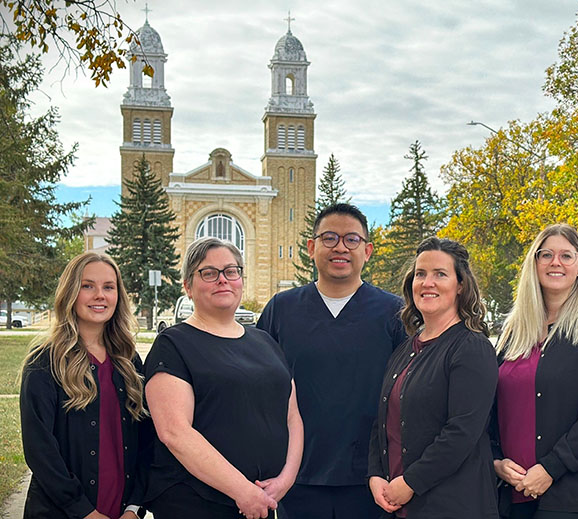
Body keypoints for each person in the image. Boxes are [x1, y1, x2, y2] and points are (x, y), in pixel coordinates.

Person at [256, 203, 406, 519]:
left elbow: (409, 393)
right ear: (311, 248)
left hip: (373, 478)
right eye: (329, 238)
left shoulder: (394, 313)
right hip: (297, 475)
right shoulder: (281, 309)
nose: (340, 247)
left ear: (367, 251)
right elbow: (259, 386)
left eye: (351, 239)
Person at [144, 237, 303, 519]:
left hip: (261, 501)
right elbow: (175, 433)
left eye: (231, 271)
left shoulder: (266, 342)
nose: (223, 280)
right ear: (188, 286)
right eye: (209, 273)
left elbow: (292, 418)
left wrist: (285, 480)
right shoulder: (172, 345)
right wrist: (241, 490)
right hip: (196, 504)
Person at [491, 224, 578, 519]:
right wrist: (496, 460)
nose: (556, 262)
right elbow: (491, 405)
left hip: (576, 496)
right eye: (546, 255)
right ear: (534, 263)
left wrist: (552, 467)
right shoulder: (514, 330)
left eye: (567, 256)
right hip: (514, 492)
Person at [368, 237, 499, 519]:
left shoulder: (471, 348)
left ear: (460, 285)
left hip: (452, 506)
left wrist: (411, 482)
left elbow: (462, 432)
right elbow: (383, 421)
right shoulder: (405, 349)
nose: (428, 283)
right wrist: (376, 474)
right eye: (421, 274)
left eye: (440, 274)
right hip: (398, 506)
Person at [19, 252, 151, 519]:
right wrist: (83, 511)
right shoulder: (45, 362)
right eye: (88, 286)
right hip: (61, 512)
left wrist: (134, 508)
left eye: (108, 287)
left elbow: (147, 439)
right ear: (70, 292)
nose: (100, 295)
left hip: (122, 511)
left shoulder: (129, 361)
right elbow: (39, 449)